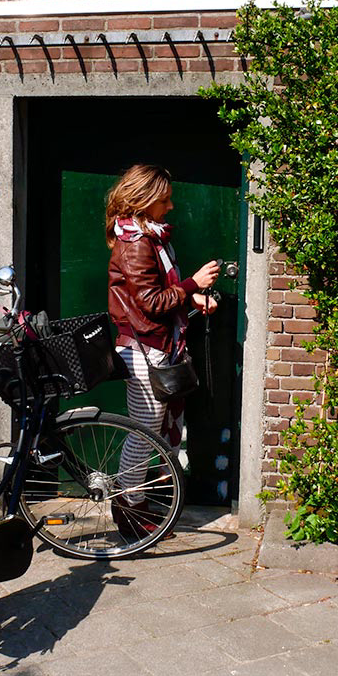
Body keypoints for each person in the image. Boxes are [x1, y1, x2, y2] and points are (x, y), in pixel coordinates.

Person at [105, 164, 219, 540]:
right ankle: (128, 511)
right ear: (147, 200)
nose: (170, 207)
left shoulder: (149, 237)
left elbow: (151, 301)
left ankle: (135, 503)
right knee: (144, 434)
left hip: (154, 344)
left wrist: (191, 297)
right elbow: (152, 303)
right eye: (165, 199)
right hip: (143, 351)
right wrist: (193, 283)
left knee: (148, 431)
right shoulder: (138, 242)